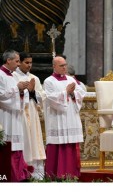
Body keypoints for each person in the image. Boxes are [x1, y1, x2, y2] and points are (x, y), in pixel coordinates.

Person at [43, 56, 86, 179]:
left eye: (65, 65)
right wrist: (65, 92)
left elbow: (80, 94)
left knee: (71, 145)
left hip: (71, 117)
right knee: (58, 145)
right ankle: (55, 174)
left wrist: (73, 93)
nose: (64, 67)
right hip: (57, 118)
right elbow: (51, 98)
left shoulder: (70, 79)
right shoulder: (48, 81)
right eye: (61, 65)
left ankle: (72, 174)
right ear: (54, 67)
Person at [13, 52, 46, 180]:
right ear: (19, 62)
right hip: (20, 114)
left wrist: (32, 92)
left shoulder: (35, 78)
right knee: (24, 139)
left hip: (32, 113)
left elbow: (42, 96)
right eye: (26, 62)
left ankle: (36, 174)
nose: (29, 65)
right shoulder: (14, 76)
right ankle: (22, 173)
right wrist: (25, 92)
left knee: (34, 140)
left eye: (31, 63)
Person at [0, 50, 32, 181]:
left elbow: (19, 98)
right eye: (17, 61)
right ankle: (7, 176)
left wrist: (23, 91)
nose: (19, 64)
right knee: (8, 148)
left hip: (15, 115)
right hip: (4, 115)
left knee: (17, 146)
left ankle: (17, 175)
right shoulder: (0, 74)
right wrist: (16, 88)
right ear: (9, 60)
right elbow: (1, 95)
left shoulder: (13, 76)